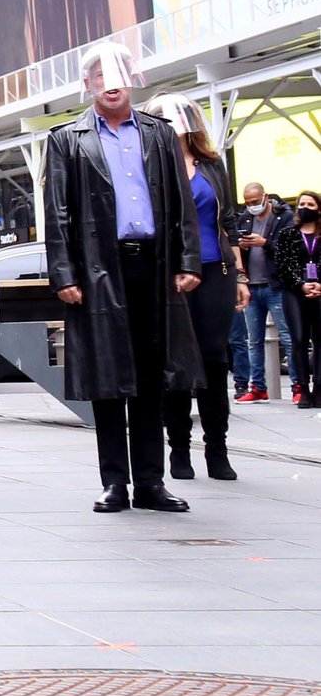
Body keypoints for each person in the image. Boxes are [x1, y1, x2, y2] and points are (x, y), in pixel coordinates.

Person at [44, 42, 198, 514]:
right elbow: (57, 212)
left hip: (152, 263)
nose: (109, 86)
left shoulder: (158, 133)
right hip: (96, 266)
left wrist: (187, 260)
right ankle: (115, 481)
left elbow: (181, 202)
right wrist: (64, 273)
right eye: (99, 77)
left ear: (130, 80)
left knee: (152, 374)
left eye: (116, 77)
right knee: (107, 374)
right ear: (88, 84)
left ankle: (151, 481)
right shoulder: (68, 138)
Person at [151, 95, 244, 480]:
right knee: (175, 363)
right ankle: (179, 450)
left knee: (214, 359)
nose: (174, 127)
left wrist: (240, 275)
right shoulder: (151, 167)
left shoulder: (212, 166)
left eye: (178, 120)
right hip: (171, 275)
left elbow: (231, 221)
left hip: (216, 271)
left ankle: (217, 449)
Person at [271, 190, 321, 409]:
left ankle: (319, 386)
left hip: (319, 290)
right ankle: (302, 387)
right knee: (298, 339)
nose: (305, 207)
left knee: (319, 339)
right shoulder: (288, 234)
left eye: (310, 204)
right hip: (294, 290)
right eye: (302, 204)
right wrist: (301, 284)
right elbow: (282, 265)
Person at [235, 182, 282, 401]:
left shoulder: (282, 217)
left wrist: (265, 243)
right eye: (247, 202)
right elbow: (233, 243)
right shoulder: (244, 218)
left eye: (255, 202)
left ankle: (300, 386)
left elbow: (287, 249)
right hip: (252, 286)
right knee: (253, 340)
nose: (251, 206)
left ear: (265, 196)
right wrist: (241, 248)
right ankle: (258, 387)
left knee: (287, 336)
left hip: (274, 285)